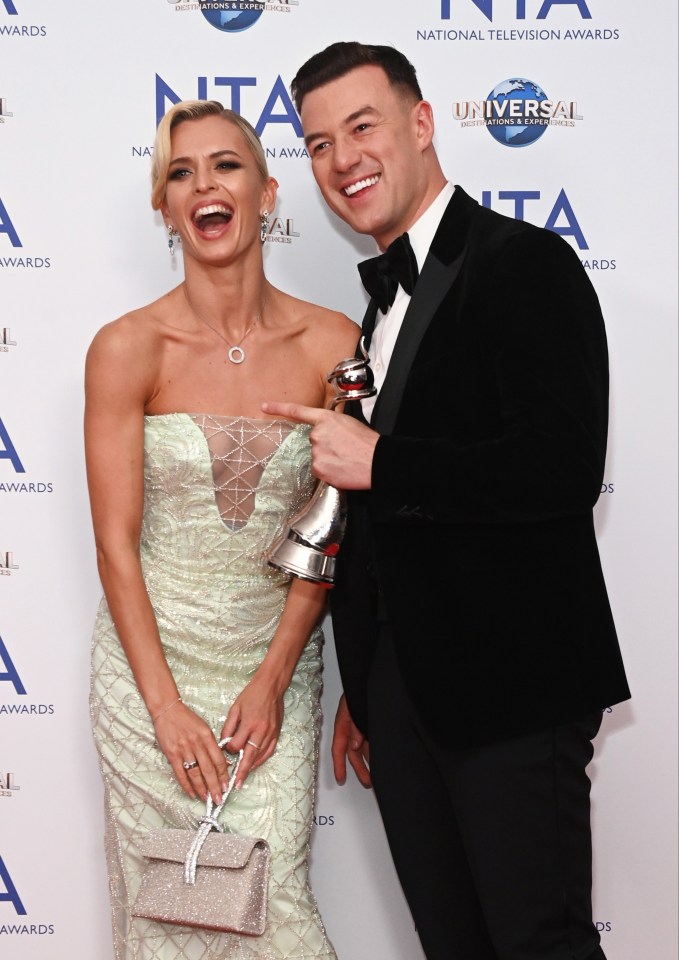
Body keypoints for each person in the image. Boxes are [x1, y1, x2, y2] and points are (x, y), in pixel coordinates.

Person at [262, 42, 631, 960]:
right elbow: (386, 536)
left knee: (536, 945)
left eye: (362, 127)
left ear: (420, 126)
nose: (342, 158)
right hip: (405, 700)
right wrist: (367, 680)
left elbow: (558, 469)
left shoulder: (522, 262)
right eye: (317, 144)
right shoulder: (376, 312)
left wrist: (384, 461)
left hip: (510, 685)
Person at [86, 99, 357, 960]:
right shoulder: (128, 348)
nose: (204, 183)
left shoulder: (334, 341)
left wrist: (276, 678)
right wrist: (163, 709)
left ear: (269, 193)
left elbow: (335, 530)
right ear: (164, 208)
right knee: (166, 921)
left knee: (273, 916)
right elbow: (114, 546)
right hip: (148, 682)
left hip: (272, 673)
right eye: (179, 171)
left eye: (225, 165)